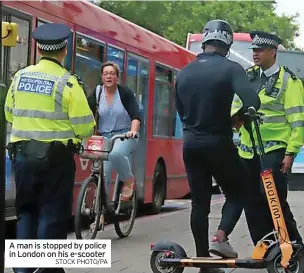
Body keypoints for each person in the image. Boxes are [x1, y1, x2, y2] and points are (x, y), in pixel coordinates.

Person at [4, 23, 95, 273]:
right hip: (56, 159)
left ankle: (22, 269)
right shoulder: (67, 83)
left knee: (26, 212)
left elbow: (9, 113)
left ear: (37, 48)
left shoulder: (20, 77)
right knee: (51, 214)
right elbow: (85, 126)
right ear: (64, 50)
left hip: (22, 157)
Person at [175, 19, 260, 273]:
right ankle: (221, 238)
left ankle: (204, 262)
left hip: (190, 144)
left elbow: (181, 111)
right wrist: (240, 118)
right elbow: (253, 100)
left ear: (204, 40)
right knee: (240, 190)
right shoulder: (231, 68)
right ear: (227, 43)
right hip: (219, 142)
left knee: (199, 203)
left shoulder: (184, 72)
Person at [210, 30, 304, 258]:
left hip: (274, 148)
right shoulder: (247, 76)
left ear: (273, 52)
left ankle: (296, 248)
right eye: (253, 50)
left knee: (272, 198)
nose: (255, 54)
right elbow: (234, 106)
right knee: (251, 200)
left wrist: (291, 152)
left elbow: (298, 120)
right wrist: (235, 117)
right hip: (247, 150)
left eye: (260, 50)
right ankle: (265, 249)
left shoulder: (289, 81)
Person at [87, 62, 140, 201]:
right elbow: (86, 113)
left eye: (112, 73)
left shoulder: (125, 93)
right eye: (106, 74)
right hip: (104, 137)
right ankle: (101, 211)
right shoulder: (97, 93)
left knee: (116, 154)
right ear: (102, 77)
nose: (109, 76)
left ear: (117, 77)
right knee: (102, 173)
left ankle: (128, 181)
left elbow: (136, 115)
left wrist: (133, 131)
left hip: (124, 135)